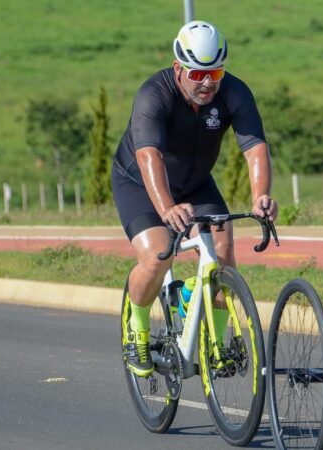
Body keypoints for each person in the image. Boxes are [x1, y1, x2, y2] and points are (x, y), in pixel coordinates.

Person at [112, 20, 277, 377]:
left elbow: (255, 149)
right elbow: (148, 157)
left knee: (223, 255)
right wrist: (167, 208)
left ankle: (218, 344)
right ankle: (136, 326)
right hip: (140, 183)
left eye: (215, 72)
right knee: (159, 255)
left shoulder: (234, 92)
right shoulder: (153, 95)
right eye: (198, 73)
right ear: (178, 68)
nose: (207, 83)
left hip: (195, 183)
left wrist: (261, 195)